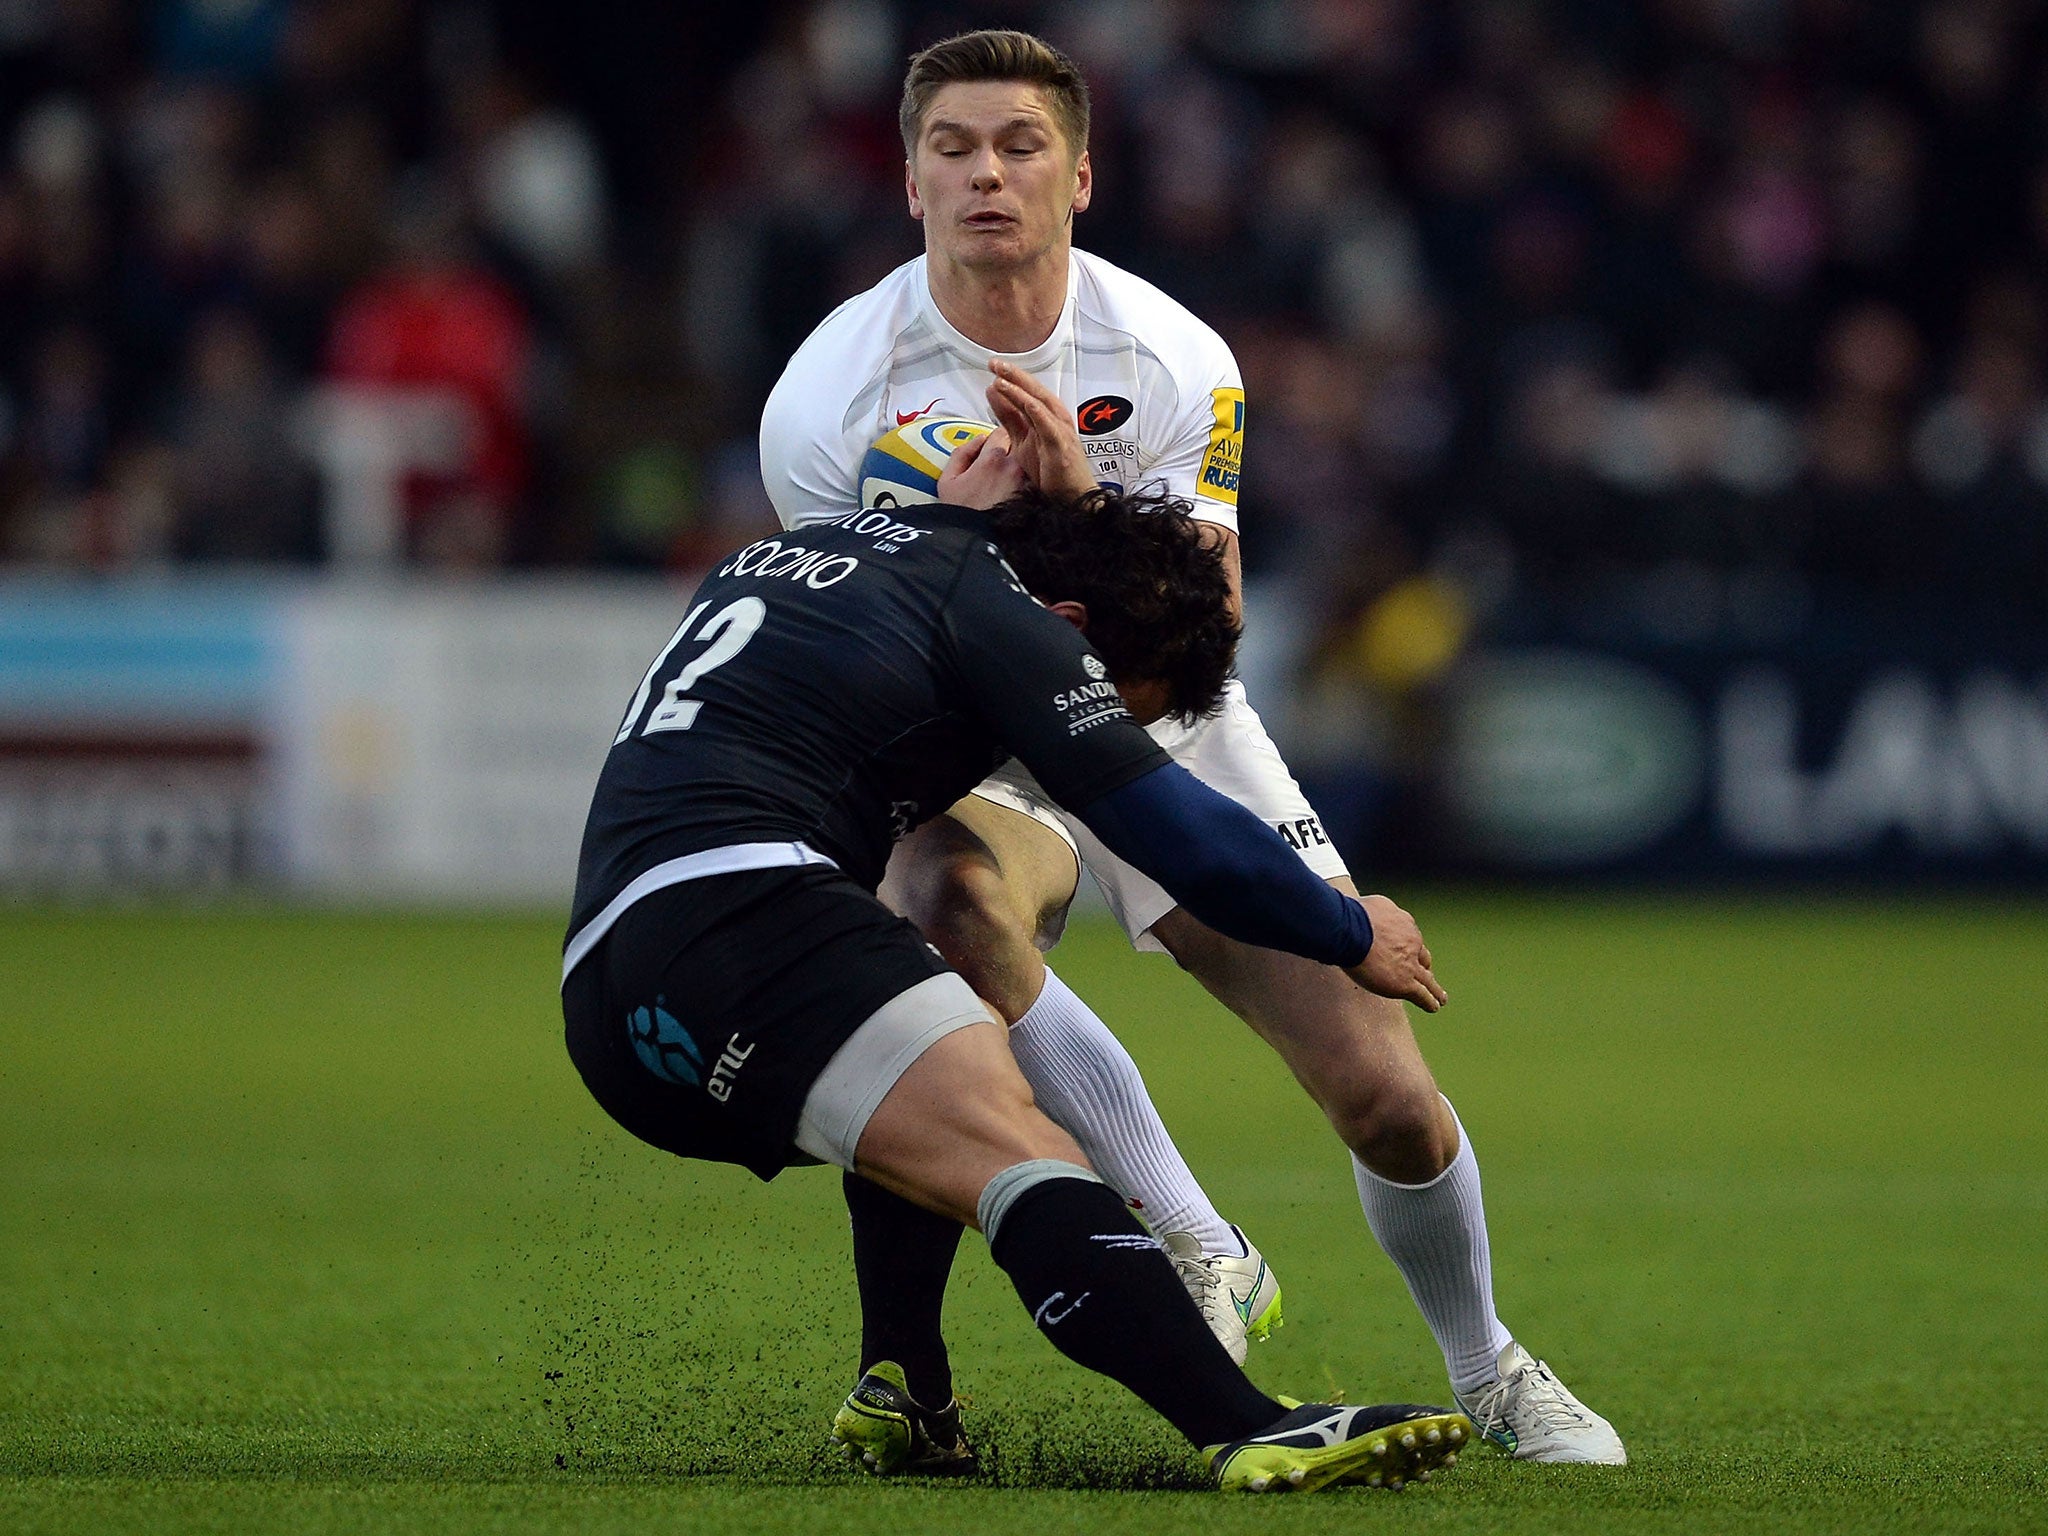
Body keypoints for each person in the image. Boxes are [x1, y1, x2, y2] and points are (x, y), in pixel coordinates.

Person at [759, 29, 1625, 1468]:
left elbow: (1201, 632)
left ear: (1081, 173)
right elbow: (855, 650)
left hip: (1165, 707)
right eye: (955, 147)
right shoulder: (831, 397)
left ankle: (1490, 1363)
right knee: (943, 904)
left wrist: (1082, 499)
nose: (988, 173)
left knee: (1385, 1097)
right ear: (909, 180)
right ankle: (1194, 1234)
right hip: (977, 738)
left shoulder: (1168, 353)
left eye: (1020, 144)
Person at [560, 432, 1468, 1495]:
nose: (1112, 731)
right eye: (1127, 705)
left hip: (615, 987)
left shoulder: (821, 550)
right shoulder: (998, 609)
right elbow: (1180, 838)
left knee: (930, 1056)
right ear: (1071, 631)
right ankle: (1248, 1427)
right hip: (750, 923)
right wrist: (1353, 932)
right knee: (1018, 1150)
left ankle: (906, 1390)